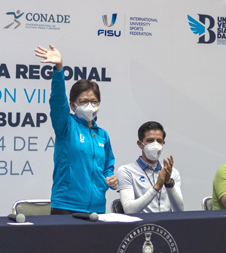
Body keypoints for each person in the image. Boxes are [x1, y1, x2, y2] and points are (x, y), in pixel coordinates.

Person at [34, 44, 117, 214]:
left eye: (94, 101)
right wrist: (59, 69)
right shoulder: (66, 127)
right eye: (83, 101)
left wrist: (110, 178)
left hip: (97, 208)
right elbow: (58, 100)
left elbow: (108, 165)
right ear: (72, 105)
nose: (89, 106)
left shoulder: (103, 135)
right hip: (66, 206)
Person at [116, 121, 184, 213]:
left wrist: (168, 184)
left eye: (159, 141)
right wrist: (156, 187)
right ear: (140, 144)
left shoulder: (172, 172)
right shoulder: (126, 171)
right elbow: (129, 210)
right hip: (142, 225)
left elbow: (179, 210)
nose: (155, 145)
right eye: (150, 140)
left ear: (163, 143)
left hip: (168, 225)